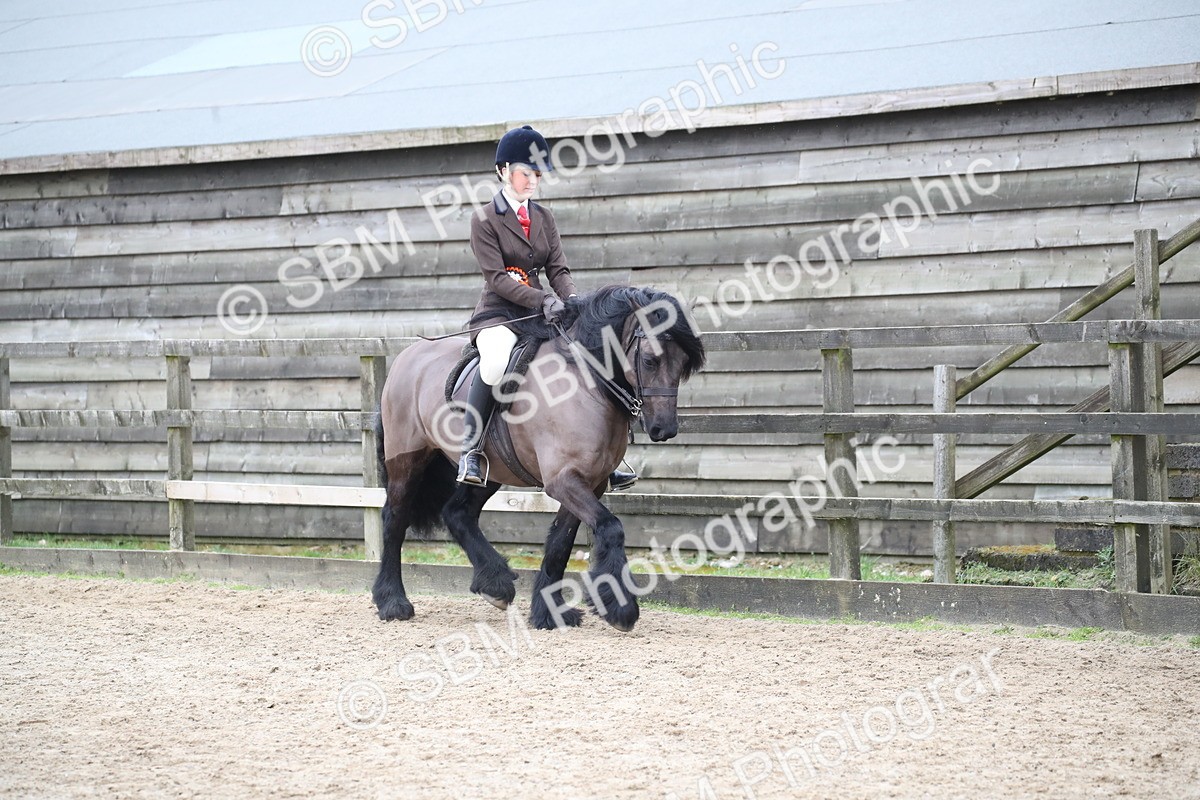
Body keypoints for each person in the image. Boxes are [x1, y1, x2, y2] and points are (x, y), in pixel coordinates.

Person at [456, 124, 638, 492]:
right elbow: (497, 279)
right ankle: (471, 450)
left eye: (537, 174)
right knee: (493, 363)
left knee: (585, 353)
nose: (532, 181)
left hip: (543, 312)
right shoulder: (484, 220)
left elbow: (558, 269)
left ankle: (602, 458)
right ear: (503, 171)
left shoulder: (544, 218)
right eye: (526, 173)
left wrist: (573, 302)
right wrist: (544, 299)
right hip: (499, 314)